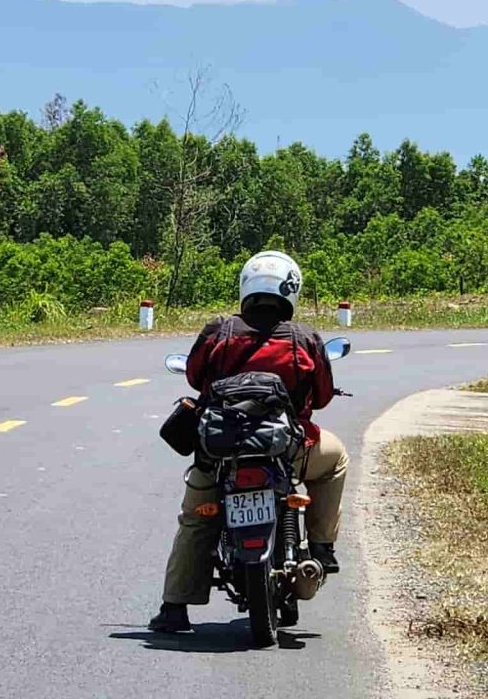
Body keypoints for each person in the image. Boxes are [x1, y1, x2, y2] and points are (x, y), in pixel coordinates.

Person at [148, 250, 346, 634]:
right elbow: (321, 397)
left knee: (195, 519)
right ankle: (322, 546)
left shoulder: (218, 331)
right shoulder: (304, 338)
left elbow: (192, 377)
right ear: (292, 290)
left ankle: (174, 608)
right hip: (288, 451)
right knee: (336, 460)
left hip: (220, 453)